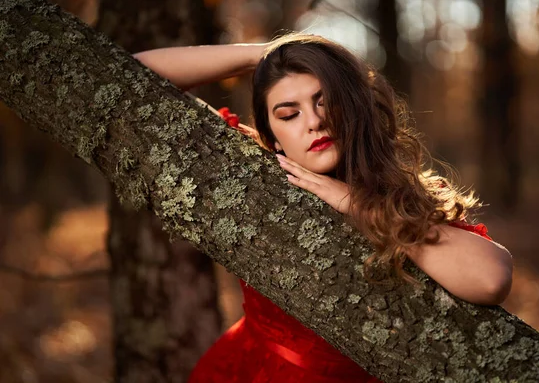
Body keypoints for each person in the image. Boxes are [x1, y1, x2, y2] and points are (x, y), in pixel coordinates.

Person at [134, 33, 513, 383]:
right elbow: (129, 76)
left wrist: (355, 203)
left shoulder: (407, 196)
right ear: (271, 136)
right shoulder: (249, 169)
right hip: (246, 371)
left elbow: (490, 280)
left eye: (324, 101)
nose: (314, 121)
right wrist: (265, 56)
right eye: (288, 114)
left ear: (352, 107)